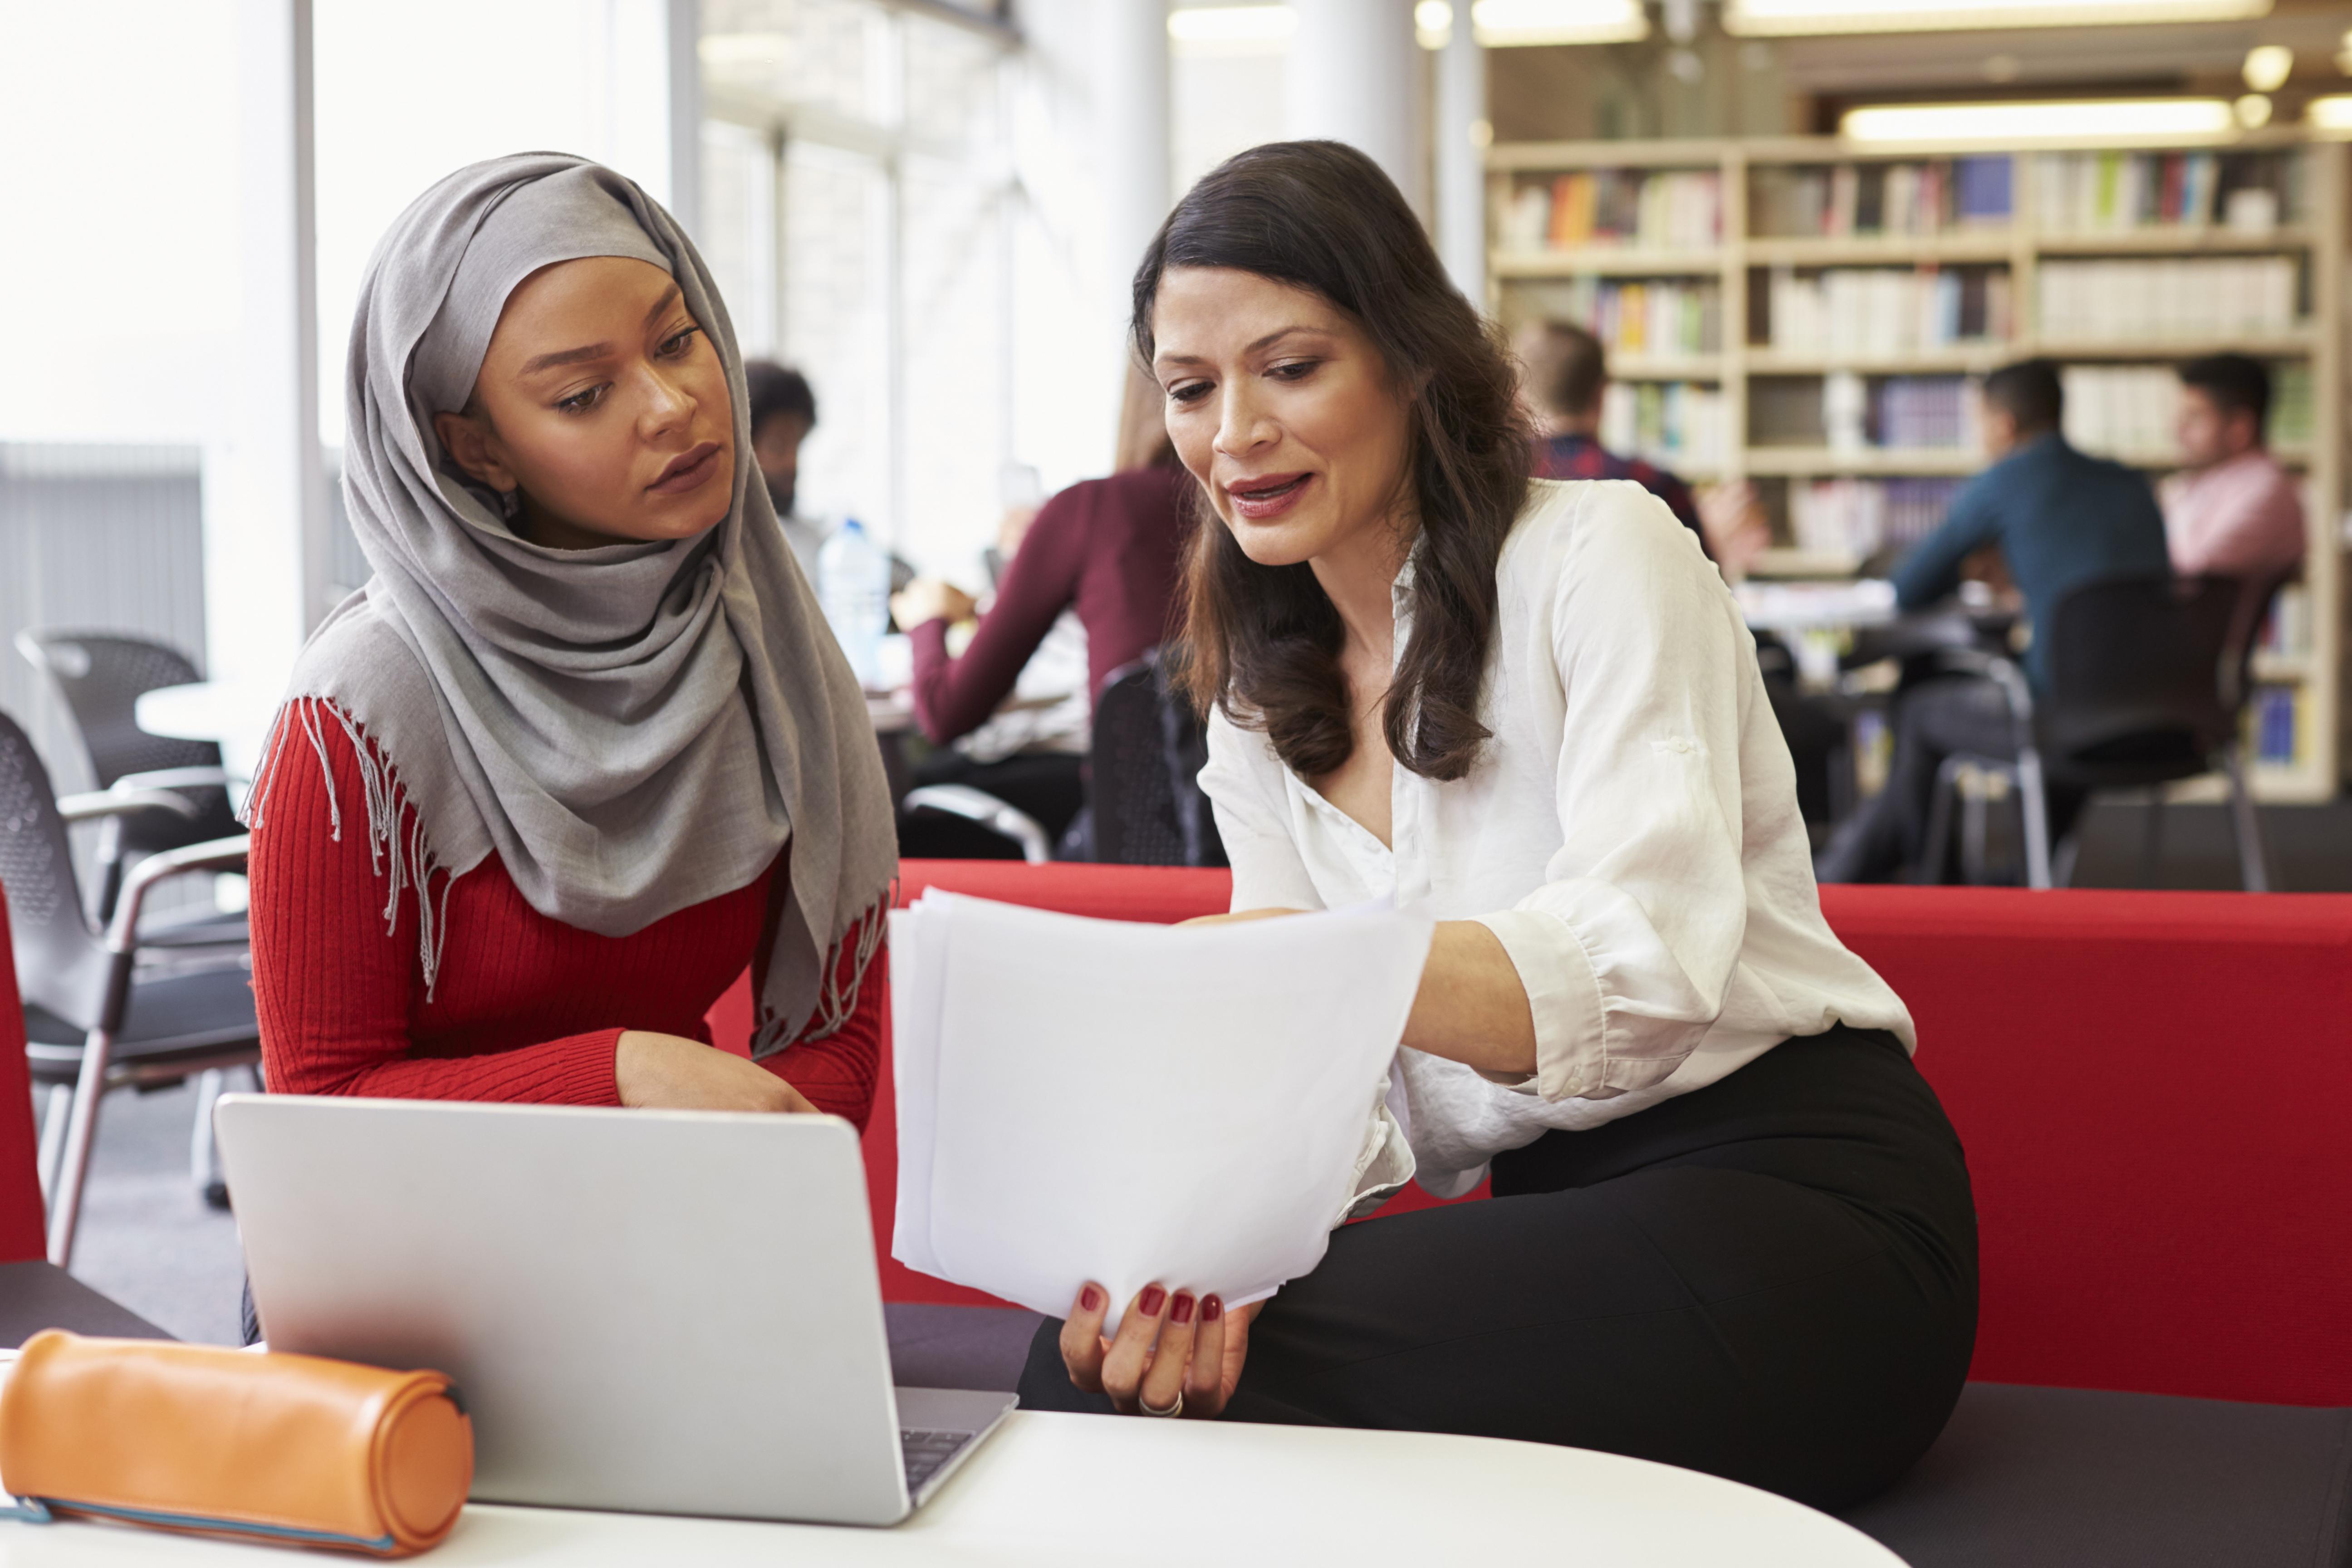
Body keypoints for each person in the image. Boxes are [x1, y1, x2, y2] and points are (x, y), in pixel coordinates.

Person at [1014, 141, 1974, 1513]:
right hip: (1571, 1222)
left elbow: (1646, 968)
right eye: (1189, 388)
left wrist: (1309, 967)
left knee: (1125, 1395)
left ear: (1410, 362)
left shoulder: (1603, 552)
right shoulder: (1253, 700)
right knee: (1103, 1360)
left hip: (1801, 1205)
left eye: (1290, 369)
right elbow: (1313, 1088)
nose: (1233, 433)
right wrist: (1205, 1254)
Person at [244, 157, 896, 1137]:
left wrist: (724, 1160)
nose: (673, 406)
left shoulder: (764, 646)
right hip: (416, 1262)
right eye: (585, 395)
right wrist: (624, 1073)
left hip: (682, 1219)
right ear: (476, 449)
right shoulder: (361, 712)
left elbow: (842, 1034)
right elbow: (322, 1105)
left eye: (679, 340)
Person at [1813, 360, 2170, 884]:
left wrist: (1971, 563)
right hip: (2163, 713)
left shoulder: (2008, 480)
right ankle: (2007, 877)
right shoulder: (2130, 483)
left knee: (1918, 706)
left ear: (2002, 424)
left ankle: (1884, 878)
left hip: (2065, 719)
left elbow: (1910, 589)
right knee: (2032, 684)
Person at [2161, 353, 2304, 581]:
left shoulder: (2266, 490)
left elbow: (2194, 569)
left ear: (2240, 428)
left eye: (2195, 417)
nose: (2179, 431)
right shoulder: (2202, 482)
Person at [745, 360, 830, 577]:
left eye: (798, 445)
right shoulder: (727, 548)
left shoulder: (817, 536)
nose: (792, 463)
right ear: (743, 447)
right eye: (777, 446)